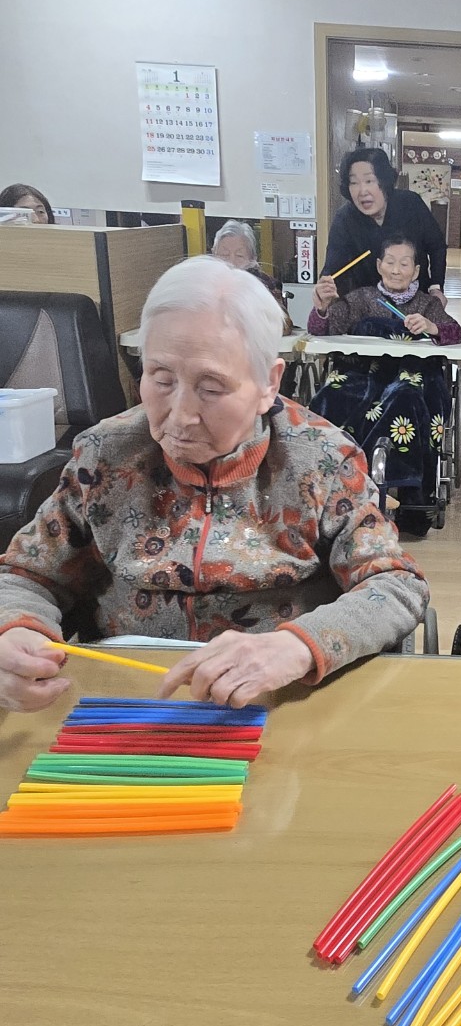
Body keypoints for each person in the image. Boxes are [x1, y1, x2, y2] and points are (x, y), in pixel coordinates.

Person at [0, 255, 428, 713]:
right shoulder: (104, 455)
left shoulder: (322, 459)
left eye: (211, 388)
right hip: (124, 698)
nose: (181, 415)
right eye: (161, 379)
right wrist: (17, 629)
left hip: (273, 701)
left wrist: (299, 646)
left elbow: (395, 585)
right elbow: (28, 575)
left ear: (268, 383)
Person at [308, 236, 461, 536]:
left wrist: (431, 327)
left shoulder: (427, 305)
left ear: (416, 271)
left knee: (407, 398)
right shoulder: (360, 298)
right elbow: (323, 329)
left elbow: (455, 332)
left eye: (404, 264)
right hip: (363, 373)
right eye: (390, 262)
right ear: (379, 266)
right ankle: (335, 484)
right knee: (333, 396)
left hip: (409, 375)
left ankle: (408, 493)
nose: (396, 270)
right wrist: (323, 308)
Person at [321, 147, 447, 304]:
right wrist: (324, 289)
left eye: (369, 181)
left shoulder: (411, 204)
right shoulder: (345, 218)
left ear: (384, 181)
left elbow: (437, 246)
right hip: (367, 306)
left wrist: (436, 288)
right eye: (354, 183)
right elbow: (332, 268)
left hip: (416, 303)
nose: (362, 191)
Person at [211, 218, 292, 332]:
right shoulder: (203, 283)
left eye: (239, 255)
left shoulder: (266, 284)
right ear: (213, 255)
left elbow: (283, 324)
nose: (231, 262)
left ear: (253, 259)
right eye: (224, 255)